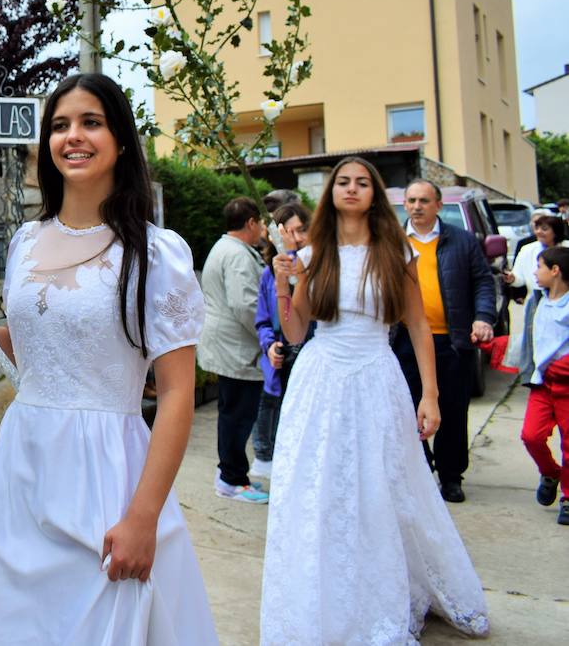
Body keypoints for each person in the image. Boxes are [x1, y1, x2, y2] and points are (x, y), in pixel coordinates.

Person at [0, 73, 217, 644]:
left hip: (108, 469)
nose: (72, 137)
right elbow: (29, 354)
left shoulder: (157, 253)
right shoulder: (25, 243)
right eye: (59, 126)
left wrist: (144, 515)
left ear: (121, 141)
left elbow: (178, 391)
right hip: (24, 463)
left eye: (90, 122)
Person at [262, 157, 488, 643]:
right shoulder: (312, 253)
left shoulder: (395, 250)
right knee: (323, 489)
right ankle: (327, 592)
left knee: (380, 488)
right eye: (343, 181)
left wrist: (430, 393)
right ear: (331, 192)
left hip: (376, 377)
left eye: (362, 182)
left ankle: (381, 591)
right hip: (320, 382)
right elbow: (297, 331)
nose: (351, 188)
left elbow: (419, 324)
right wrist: (284, 282)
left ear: (375, 195)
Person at [392, 178, 497, 503]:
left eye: (424, 200)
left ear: (438, 205)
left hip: (451, 342)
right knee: (407, 409)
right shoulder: (392, 242)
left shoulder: (462, 241)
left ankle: (451, 476)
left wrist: (483, 316)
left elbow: (482, 281)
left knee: (451, 410)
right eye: (411, 201)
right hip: (404, 342)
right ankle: (421, 471)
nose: (416, 207)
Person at [197, 197, 270, 502]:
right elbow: (245, 305)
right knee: (239, 415)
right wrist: (267, 335)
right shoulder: (238, 255)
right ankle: (232, 478)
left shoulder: (224, 247)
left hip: (228, 345)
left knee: (231, 412)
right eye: (262, 224)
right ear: (251, 223)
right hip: (238, 347)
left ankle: (231, 472)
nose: (264, 230)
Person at [253, 202, 313, 478]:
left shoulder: (319, 270)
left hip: (313, 358)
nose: (298, 238)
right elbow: (263, 319)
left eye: (302, 230)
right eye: (289, 232)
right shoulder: (269, 274)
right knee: (273, 409)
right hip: (280, 358)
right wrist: (269, 345)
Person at [523, 246, 569, 526]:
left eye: (540, 266)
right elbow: (534, 341)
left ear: (555, 271)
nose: (535, 272)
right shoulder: (538, 300)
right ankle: (551, 472)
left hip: (565, 385)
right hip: (542, 385)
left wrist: (558, 368)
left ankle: (567, 497)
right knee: (531, 436)